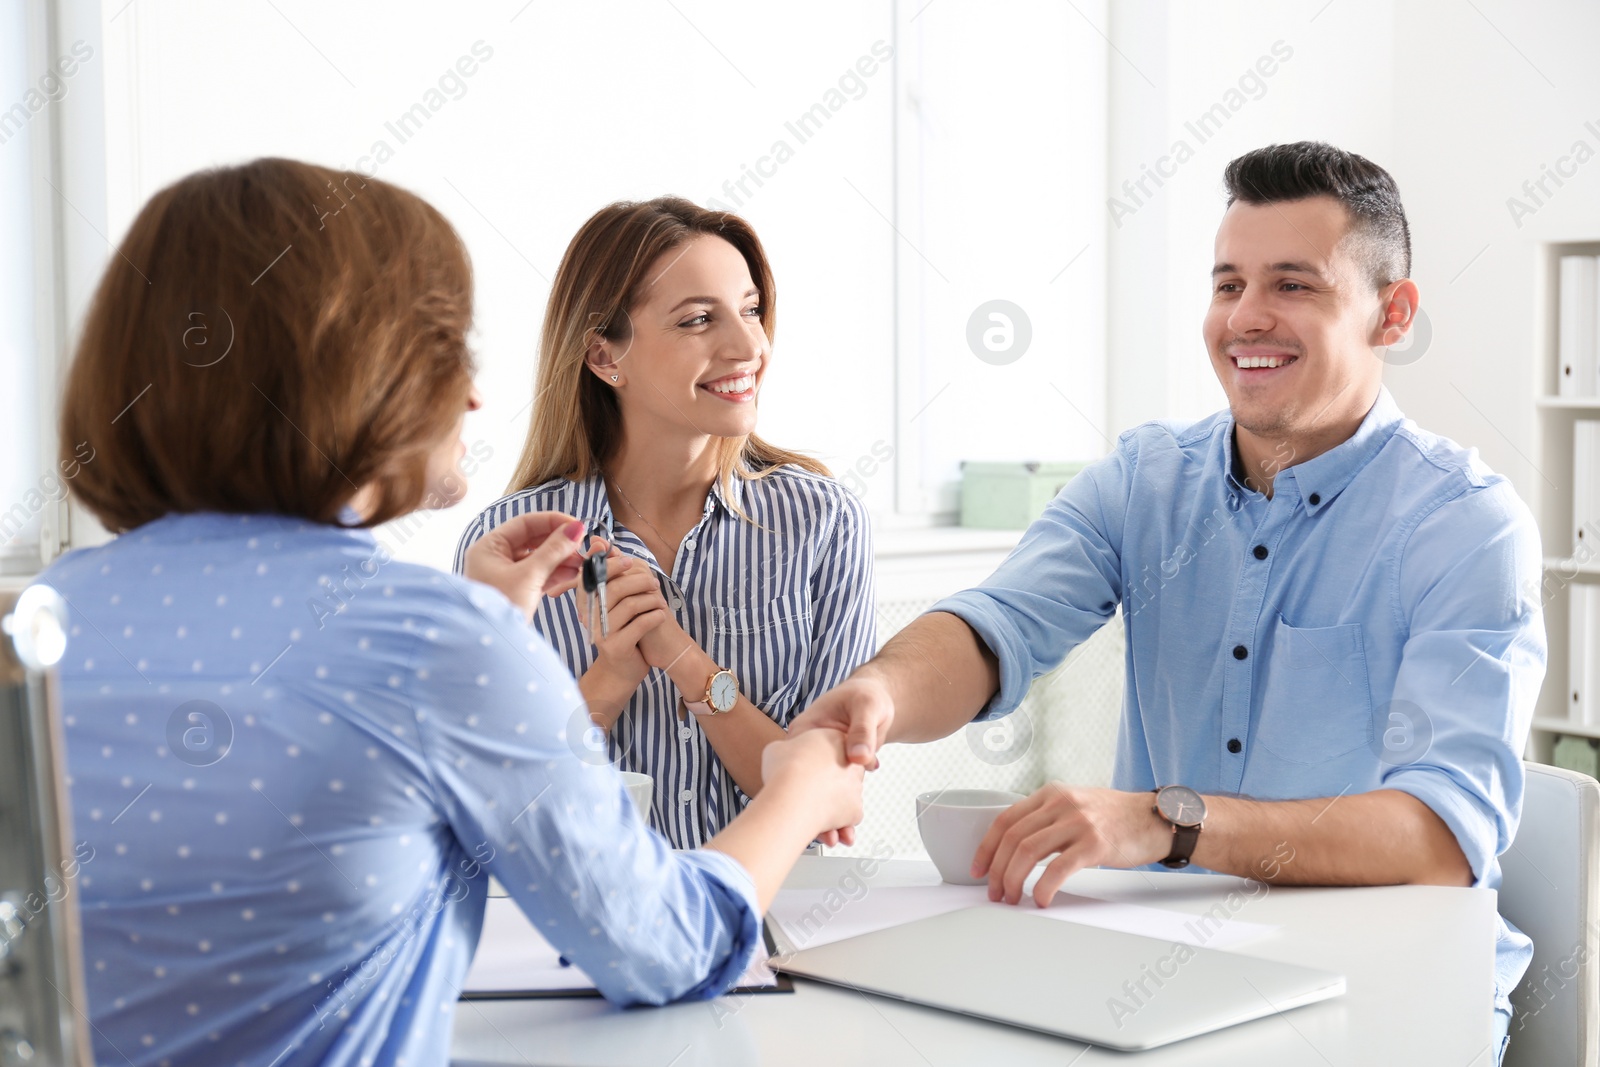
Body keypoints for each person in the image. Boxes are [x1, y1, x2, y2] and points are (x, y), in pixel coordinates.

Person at [36, 158, 863, 1067]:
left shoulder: (45, 620)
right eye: (445, 350)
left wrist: (482, 640)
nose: (471, 395)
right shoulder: (434, 636)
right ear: (350, 372)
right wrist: (802, 781)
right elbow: (668, 946)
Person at [791, 142, 1541, 1064]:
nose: (1246, 318)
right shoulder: (1147, 478)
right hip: (1176, 980)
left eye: (1293, 285)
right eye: (1228, 284)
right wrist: (884, 692)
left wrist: (1167, 820)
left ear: (1392, 314)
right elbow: (1000, 622)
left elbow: (1439, 838)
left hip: (1395, 996)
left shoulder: (1464, 524)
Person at [454, 197, 876, 849]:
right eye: (699, 319)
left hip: (779, 923)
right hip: (582, 928)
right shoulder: (511, 549)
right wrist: (613, 675)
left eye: (751, 310)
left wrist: (688, 664)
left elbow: (828, 801)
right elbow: (502, 813)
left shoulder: (823, 522)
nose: (749, 346)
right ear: (603, 356)